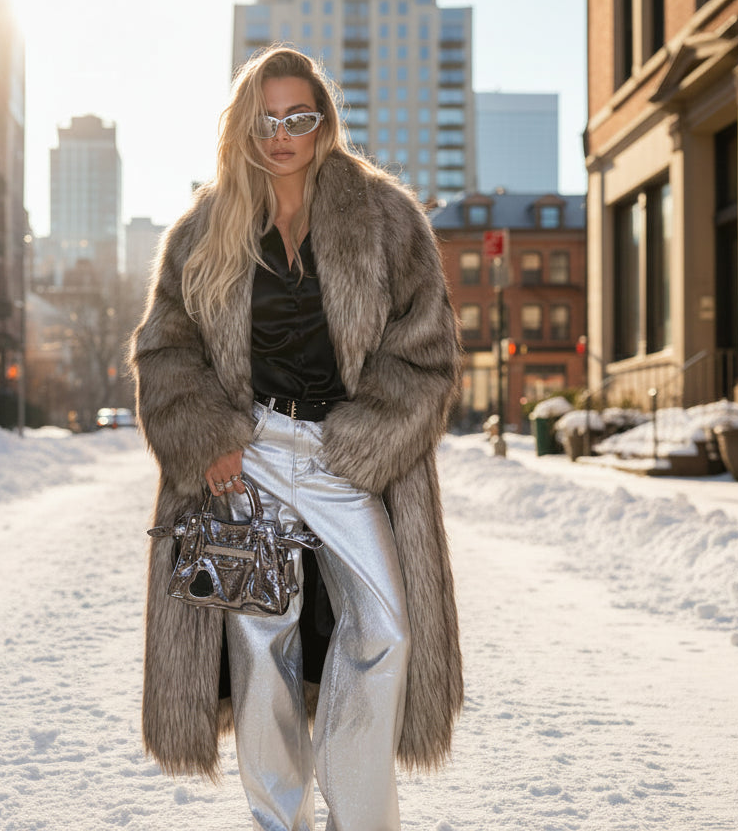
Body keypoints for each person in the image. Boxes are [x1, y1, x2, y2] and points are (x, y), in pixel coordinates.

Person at [130, 46, 463, 831]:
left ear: (323, 124)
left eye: (298, 117)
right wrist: (207, 435)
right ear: (245, 125)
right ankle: (277, 820)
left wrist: (367, 439)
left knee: (385, 627)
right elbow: (164, 350)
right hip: (244, 457)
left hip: (345, 454)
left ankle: (359, 819)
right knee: (257, 642)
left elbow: (425, 349)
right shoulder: (203, 228)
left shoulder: (385, 216)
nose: (281, 134)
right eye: (266, 118)